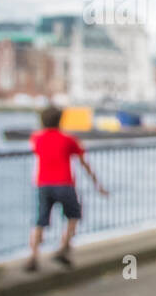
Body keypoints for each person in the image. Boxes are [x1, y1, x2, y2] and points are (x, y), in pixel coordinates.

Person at [26, 105, 107, 271]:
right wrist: (96, 183)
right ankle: (63, 248)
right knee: (73, 215)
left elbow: (33, 146)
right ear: (60, 120)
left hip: (43, 184)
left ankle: (33, 256)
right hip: (64, 183)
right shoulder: (69, 139)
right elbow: (84, 163)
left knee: (40, 220)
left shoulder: (37, 138)